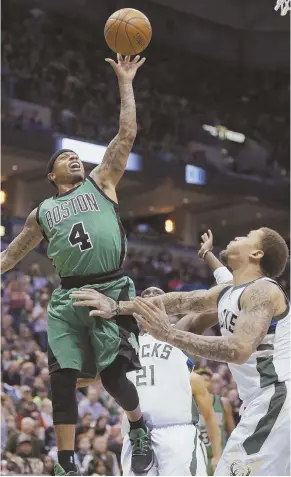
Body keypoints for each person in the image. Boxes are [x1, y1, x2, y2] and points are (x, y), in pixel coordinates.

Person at [1, 54, 153, 476]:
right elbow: (9, 258)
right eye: (63, 158)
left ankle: (139, 426)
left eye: (76, 156)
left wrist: (125, 81)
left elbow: (127, 133)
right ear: (50, 175)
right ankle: (66, 462)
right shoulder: (42, 212)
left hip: (110, 288)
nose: (73, 159)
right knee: (59, 378)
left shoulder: (101, 180)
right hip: (67, 295)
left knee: (112, 377)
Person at [72, 227, 290, 476]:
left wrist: (170, 334)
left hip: (276, 396)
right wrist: (115, 306)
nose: (236, 237)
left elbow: (238, 349)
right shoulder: (228, 292)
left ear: (256, 253)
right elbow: (179, 301)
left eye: (245, 237)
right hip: (261, 401)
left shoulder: (263, 290)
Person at [121, 286, 222, 476]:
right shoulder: (126, 338)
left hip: (176, 431)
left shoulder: (181, 330)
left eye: (158, 294)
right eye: (146, 295)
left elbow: (219, 305)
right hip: (136, 435)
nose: (151, 296)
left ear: (170, 302)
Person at [195, 367, 235, 475]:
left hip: (219, 457)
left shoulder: (223, 404)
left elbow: (233, 433)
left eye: (207, 380)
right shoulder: (190, 405)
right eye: (201, 380)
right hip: (199, 457)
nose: (204, 383)